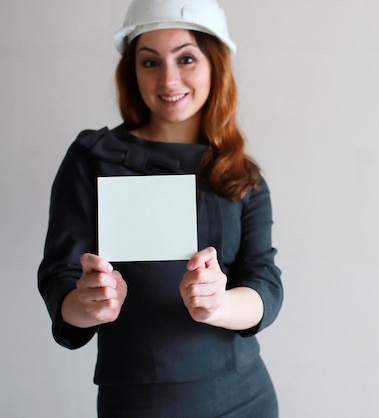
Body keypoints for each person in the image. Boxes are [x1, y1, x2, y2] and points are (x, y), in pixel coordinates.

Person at [37, 0, 284, 416]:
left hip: (242, 397)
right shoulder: (93, 158)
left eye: (186, 58)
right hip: (138, 400)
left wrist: (220, 303)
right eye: (149, 62)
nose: (168, 79)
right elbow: (59, 276)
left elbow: (265, 280)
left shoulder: (240, 175)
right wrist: (88, 302)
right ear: (132, 71)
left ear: (215, 65)